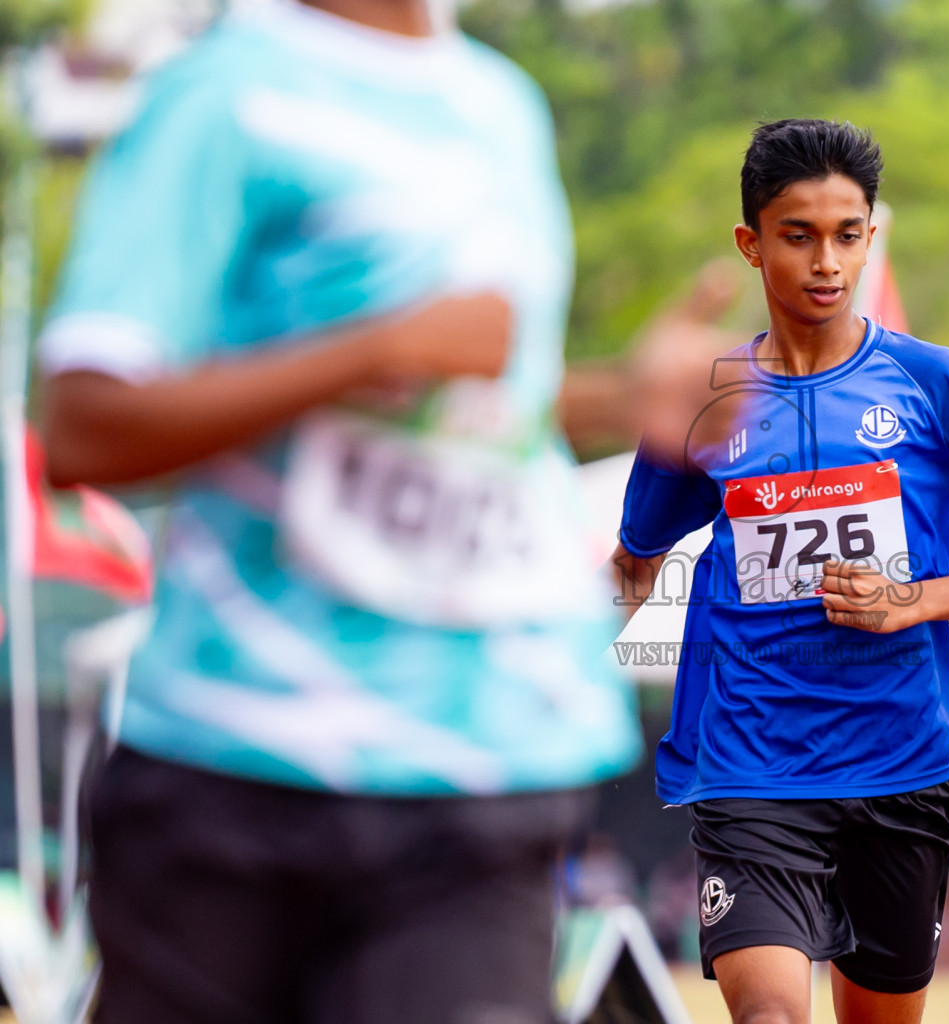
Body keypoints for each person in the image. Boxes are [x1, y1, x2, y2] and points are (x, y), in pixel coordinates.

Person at [38, 0, 719, 1020]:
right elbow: (86, 425)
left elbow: (475, 402)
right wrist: (365, 350)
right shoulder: (222, 95)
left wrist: (627, 396)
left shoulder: (501, 104)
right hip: (241, 765)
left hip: (488, 762)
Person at [611, 119, 949, 1024]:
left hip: (897, 764)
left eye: (847, 234)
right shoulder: (705, 400)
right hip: (747, 766)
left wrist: (910, 600)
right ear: (751, 245)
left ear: (873, 236)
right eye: (798, 236)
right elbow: (634, 562)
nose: (826, 261)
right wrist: (611, 651)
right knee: (771, 1017)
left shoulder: (940, 386)